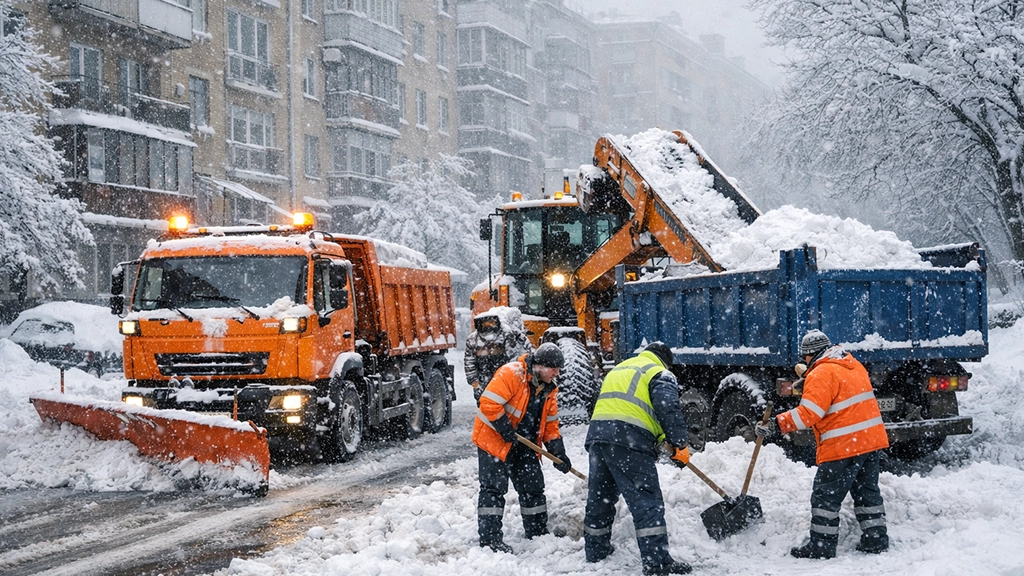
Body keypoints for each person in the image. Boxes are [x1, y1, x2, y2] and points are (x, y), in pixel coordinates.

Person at [756, 329, 890, 559]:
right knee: (867, 492)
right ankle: (876, 539)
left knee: (825, 496)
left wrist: (777, 424)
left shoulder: (821, 373)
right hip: (870, 441)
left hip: (843, 445)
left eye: (804, 357)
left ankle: (822, 545)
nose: (803, 361)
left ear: (810, 355)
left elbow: (810, 413)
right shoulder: (852, 364)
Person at [583, 342, 693, 575]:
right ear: (665, 361)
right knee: (646, 502)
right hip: (629, 440)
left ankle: (596, 550)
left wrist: (665, 439)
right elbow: (667, 408)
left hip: (599, 437)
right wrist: (680, 442)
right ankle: (658, 563)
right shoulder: (659, 372)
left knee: (600, 498)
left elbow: (634, 406)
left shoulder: (620, 368)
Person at [472, 342, 573, 553]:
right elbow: (488, 403)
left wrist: (558, 453)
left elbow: (551, 425)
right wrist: (504, 427)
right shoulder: (511, 373)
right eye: (553, 368)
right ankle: (490, 541)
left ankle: (536, 533)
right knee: (494, 489)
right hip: (495, 440)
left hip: (524, 443)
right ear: (539, 365)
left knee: (533, 486)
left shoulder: (548, 389)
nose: (557, 373)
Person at [464, 307, 532, 403]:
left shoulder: (506, 334)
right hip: (484, 377)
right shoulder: (472, 340)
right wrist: (475, 385)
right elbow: (469, 363)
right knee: (486, 405)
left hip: (504, 375)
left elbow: (518, 352)